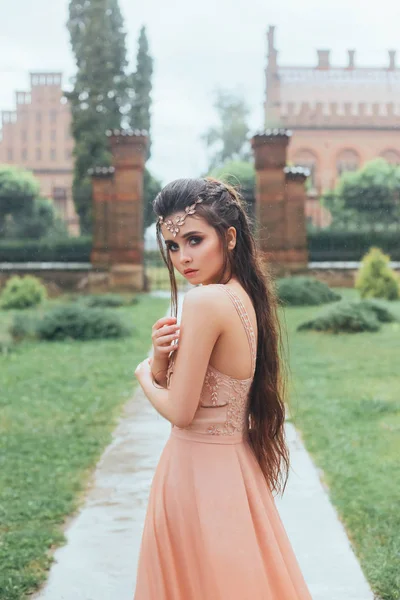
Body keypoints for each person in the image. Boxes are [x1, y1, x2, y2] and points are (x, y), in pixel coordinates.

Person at [133, 177, 312, 599]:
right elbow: (199, 392)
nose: (183, 258)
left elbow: (181, 411)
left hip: (197, 474)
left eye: (194, 240)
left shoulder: (204, 302)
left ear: (229, 237)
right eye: (173, 246)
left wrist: (143, 373)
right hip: (232, 469)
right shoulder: (241, 295)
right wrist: (161, 361)